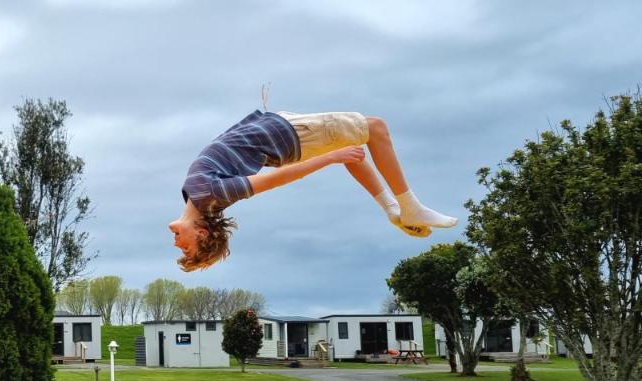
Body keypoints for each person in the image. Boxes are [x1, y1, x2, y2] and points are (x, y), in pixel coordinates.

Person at [169, 109, 457, 271]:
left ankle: (393, 210)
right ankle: (409, 207)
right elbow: (275, 181)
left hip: (277, 130)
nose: (176, 243)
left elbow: (225, 145)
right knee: (376, 128)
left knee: (349, 148)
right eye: (185, 245)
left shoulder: (197, 197)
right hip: (287, 137)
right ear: (202, 232)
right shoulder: (210, 196)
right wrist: (328, 159)